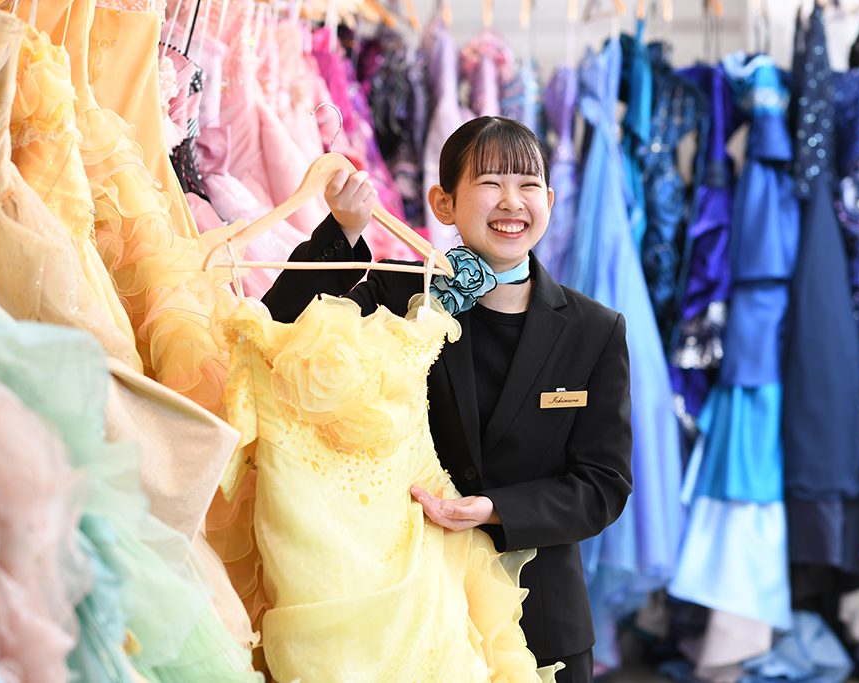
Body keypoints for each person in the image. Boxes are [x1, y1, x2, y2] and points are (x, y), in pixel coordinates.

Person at [262, 116, 633, 683]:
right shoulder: (400, 290)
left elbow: (603, 485)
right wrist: (343, 233)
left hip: (540, 622)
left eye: (528, 185)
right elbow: (280, 331)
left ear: (550, 201)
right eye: (490, 183)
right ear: (443, 203)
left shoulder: (594, 330)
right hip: (406, 605)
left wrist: (494, 509)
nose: (512, 202)